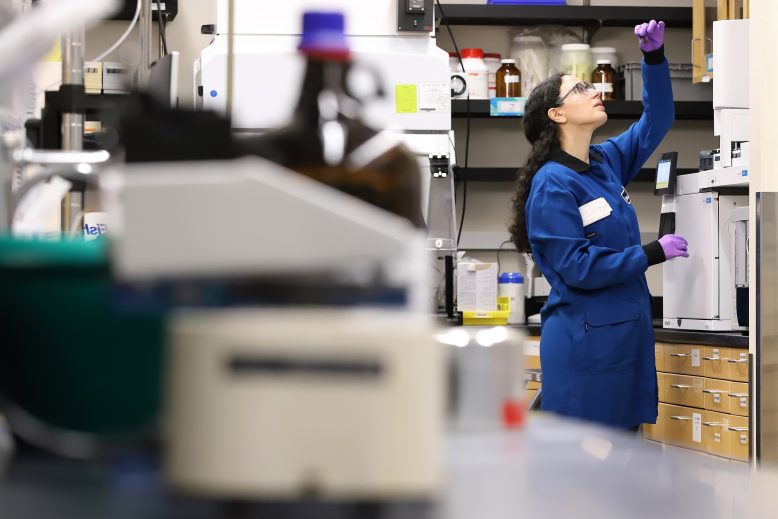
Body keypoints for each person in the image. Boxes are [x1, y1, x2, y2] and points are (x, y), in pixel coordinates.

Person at [509, 20, 689, 430]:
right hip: (585, 348)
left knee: (622, 470)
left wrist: (654, 58)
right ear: (557, 114)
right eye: (580, 89)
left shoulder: (604, 162)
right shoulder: (552, 185)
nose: (596, 91)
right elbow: (577, 266)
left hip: (623, 341)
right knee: (587, 477)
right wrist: (650, 253)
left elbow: (656, 120)